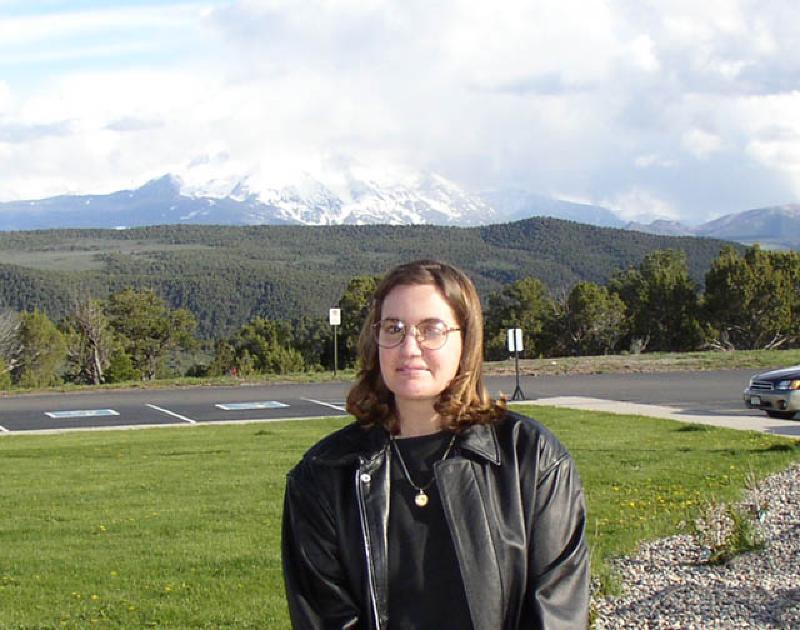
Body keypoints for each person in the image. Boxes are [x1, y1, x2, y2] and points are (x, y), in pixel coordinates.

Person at [282, 260, 589, 629]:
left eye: (432, 329)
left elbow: (557, 613)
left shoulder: (533, 459)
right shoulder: (324, 476)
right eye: (394, 328)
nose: (409, 347)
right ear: (374, 338)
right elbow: (326, 618)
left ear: (466, 341)